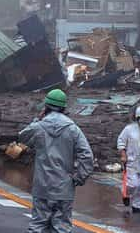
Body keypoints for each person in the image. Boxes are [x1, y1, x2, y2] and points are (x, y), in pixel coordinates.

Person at [18, 89, 94, 233]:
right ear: (64, 107)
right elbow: (86, 155)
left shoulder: (39, 127)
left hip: (42, 186)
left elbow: (22, 137)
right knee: (62, 227)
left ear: (46, 106)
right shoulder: (73, 129)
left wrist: (37, 120)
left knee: (38, 225)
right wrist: (79, 177)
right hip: (64, 188)